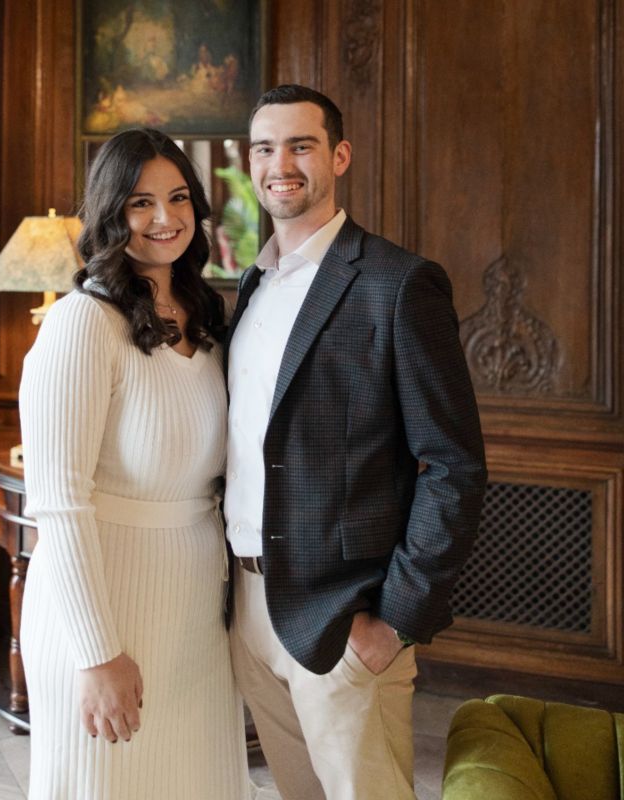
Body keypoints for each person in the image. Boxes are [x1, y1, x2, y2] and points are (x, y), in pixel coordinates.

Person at [224, 85, 487, 800]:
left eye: (301, 146)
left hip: (347, 619)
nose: (281, 164)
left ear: (338, 156)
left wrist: (395, 621)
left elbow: (454, 466)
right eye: (265, 148)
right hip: (248, 605)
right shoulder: (252, 285)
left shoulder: (398, 284)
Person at [19, 128, 250, 800]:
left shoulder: (204, 318)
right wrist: (98, 653)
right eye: (140, 203)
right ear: (111, 212)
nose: (164, 218)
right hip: (104, 614)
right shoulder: (81, 324)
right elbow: (59, 505)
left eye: (177, 198)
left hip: (195, 616)